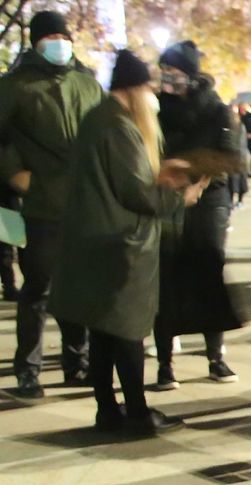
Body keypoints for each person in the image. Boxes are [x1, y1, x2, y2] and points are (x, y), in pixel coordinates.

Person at [48, 50, 204, 435]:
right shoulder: (119, 127)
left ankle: (108, 410)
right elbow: (137, 192)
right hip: (121, 244)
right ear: (134, 88)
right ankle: (137, 412)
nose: (152, 94)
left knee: (103, 330)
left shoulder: (96, 119)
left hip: (98, 240)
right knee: (129, 330)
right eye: (148, 86)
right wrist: (181, 195)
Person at [0, 10, 104, 399]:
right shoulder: (15, 86)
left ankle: (78, 363)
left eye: (64, 35)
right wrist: (14, 173)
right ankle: (27, 370)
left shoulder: (88, 82)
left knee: (80, 289)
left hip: (87, 203)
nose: (60, 42)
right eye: (52, 36)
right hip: (42, 204)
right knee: (38, 292)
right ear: (36, 41)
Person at [153, 40, 244, 390]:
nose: (167, 79)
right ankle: (165, 363)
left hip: (208, 200)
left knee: (208, 270)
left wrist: (194, 177)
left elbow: (230, 157)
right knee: (166, 277)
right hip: (166, 199)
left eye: (173, 72)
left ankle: (215, 356)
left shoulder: (216, 108)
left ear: (190, 74)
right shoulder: (158, 108)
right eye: (164, 72)